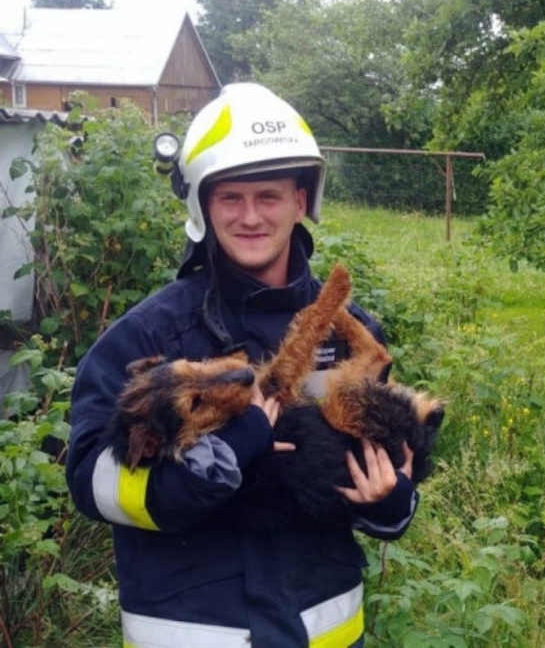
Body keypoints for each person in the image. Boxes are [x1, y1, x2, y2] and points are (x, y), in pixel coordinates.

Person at [66, 83, 418, 647]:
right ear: (203, 206)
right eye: (231, 197)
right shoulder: (148, 335)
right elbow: (92, 482)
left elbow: (394, 457)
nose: (250, 216)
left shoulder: (351, 333)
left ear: (301, 202)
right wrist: (218, 460)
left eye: (269, 196)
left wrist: (394, 503)